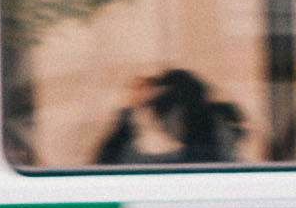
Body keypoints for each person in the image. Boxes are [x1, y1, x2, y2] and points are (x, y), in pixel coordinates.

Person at [93, 67, 247, 165]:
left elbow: (111, 162)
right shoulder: (212, 147)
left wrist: (129, 115)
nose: (159, 122)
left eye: (159, 110)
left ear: (178, 113)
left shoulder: (204, 157)